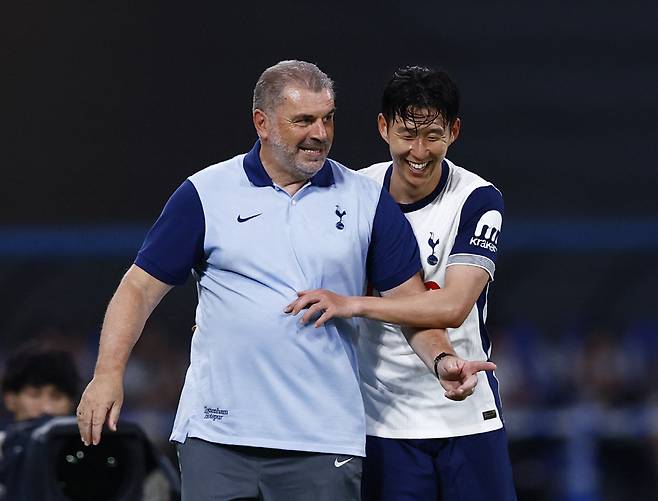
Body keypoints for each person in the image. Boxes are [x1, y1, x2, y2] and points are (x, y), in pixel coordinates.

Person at [75, 60, 494, 501]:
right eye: (303, 120)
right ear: (263, 123)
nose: (320, 133)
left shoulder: (368, 201)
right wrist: (107, 374)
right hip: (218, 437)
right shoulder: (205, 193)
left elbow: (411, 306)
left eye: (327, 118)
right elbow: (139, 289)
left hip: (323, 444)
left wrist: (442, 360)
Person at [286, 66, 517, 500]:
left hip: (467, 415)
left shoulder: (478, 199)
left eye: (433, 135)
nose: (419, 150)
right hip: (382, 423)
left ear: (455, 131)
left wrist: (355, 304)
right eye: (407, 134)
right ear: (383, 127)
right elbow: (300, 280)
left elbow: (452, 308)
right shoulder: (353, 194)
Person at [0, 344, 80, 498]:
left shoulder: (89, 455)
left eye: (57, 397)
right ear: (10, 399)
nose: (47, 409)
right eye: (35, 395)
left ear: (72, 403)